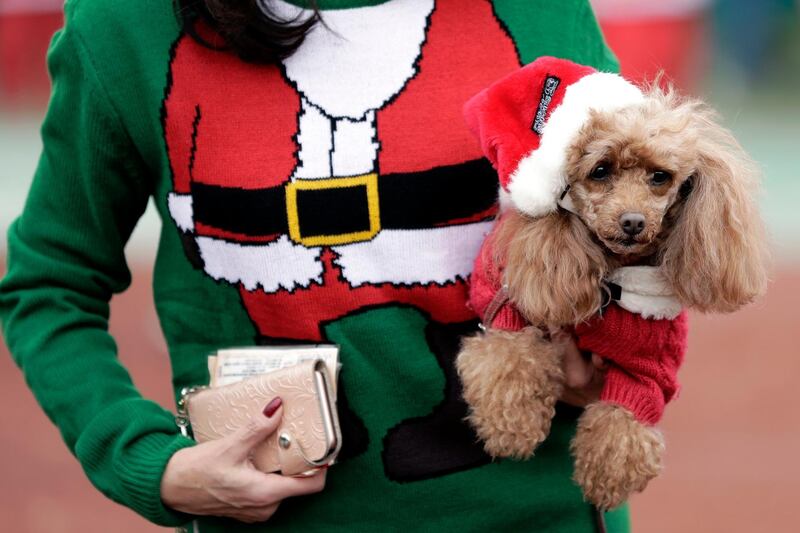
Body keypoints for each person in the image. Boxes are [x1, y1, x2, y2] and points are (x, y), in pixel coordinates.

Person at [0, 0, 638, 531]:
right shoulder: (128, 24)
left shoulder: (540, 10)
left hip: (536, 513)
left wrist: (607, 349)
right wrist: (151, 463)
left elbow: (647, 241)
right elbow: (50, 280)